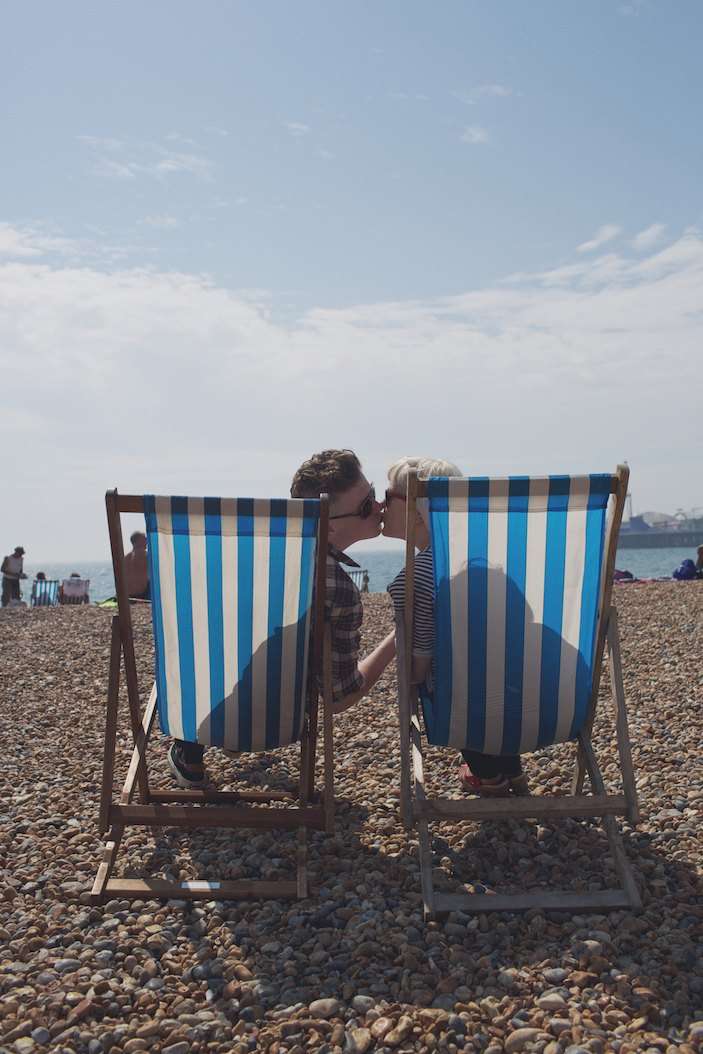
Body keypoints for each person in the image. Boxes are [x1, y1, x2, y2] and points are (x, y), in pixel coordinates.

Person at [167, 449, 397, 788]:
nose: (379, 508)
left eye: (375, 495)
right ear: (328, 530)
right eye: (366, 505)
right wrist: (398, 636)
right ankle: (238, 726)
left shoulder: (238, 562)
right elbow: (340, 696)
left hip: (195, 699)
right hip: (272, 719)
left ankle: (204, 740)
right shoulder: (336, 587)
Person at [384, 456, 529, 797]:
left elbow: (419, 660)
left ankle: (488, 777)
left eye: (388, 496)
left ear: (416, 512)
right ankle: (513, 770)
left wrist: (411, 677)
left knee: (449, 684)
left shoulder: (413, 579)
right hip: (523, 706)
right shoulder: (493, 568)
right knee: (489, 674)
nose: (379, 504)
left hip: (461, 711)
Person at [124, 531, 150, 600]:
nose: (147, 542)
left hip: (127, 595)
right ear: (138, 541)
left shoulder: (125, 558)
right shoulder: (146, 556)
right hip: (142, 595)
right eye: (144, 539)